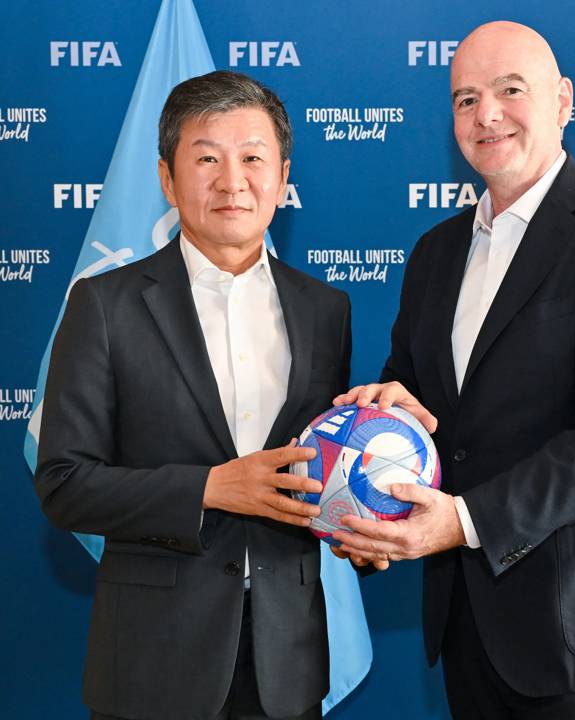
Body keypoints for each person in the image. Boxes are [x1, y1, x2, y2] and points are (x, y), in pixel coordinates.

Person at [333, 21, 575, 720]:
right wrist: (372, 483)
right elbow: (419, 407)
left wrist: (463, 521)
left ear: (562, 101)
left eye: (509, 90)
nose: (486, 113)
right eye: (465, 99)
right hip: (470, 625)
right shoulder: (435, 252)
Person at [35, 71, 351, 720]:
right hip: (153, 661)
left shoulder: (326, 309)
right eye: (206, 157)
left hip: (285, 666)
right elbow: (65, 484)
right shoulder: (104, 305)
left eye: (253, 157)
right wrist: (209, 488)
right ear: (167, 178)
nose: (232, 180)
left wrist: (363, 522)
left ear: (283, 175)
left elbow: (322, 475)